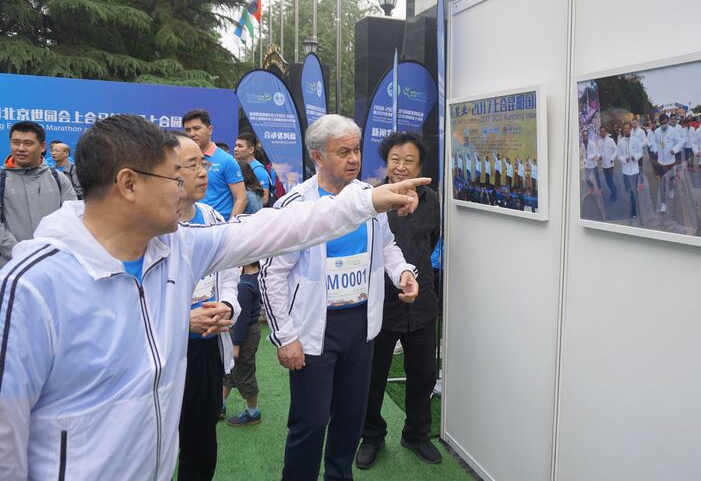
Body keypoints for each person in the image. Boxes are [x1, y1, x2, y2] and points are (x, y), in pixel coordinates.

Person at [0, 114, 429, 480]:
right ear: (128, 184)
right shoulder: (32, 287)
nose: (186, 187)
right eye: (175, 176)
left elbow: (277, 229)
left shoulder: (181, 245)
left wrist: (369, 200)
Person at [260, 115, 419, 481]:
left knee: (350, 418)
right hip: (314, 329)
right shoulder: (296, 205)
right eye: (343, 151)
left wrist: (404, 272)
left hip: (360, 326)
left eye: (357, 149)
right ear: (317, 156)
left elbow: (387, 245)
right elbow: (273, 273)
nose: (353, 158)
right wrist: (285, 336)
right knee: (311, 423)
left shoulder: (368, 198)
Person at [357, 132, 441, 470]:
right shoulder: (368, 199)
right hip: (381, 301)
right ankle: (371, 435)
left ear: (420, 165)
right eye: (395, 159)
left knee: (422, 373)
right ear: (386, 163)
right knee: (373, 375)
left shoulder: (431, 199)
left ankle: (417, 434)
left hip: (422, 302)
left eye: (409, 160)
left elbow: (431, 239)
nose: (402, 166)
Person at [174, 133, 240, 481]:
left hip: (209, 348)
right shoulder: (151, 227)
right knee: (160, 440)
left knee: (202, 441)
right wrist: (183, 321)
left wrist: (227, 304)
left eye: (204, 163)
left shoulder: (213, 217)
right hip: (168, 352)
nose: (203, 172)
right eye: (192, 165)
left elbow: (229, 274)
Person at [0, 122, 76, 266]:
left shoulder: (58, 179)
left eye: (28, 143)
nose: (21, 148)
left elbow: (71, 220)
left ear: (42, 147)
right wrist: (19, 253)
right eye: (16, 142)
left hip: (53, 264)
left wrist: (50, 253)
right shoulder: (2, 179)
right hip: (10, 266)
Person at [182, 109, 247, 218]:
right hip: (189, 225)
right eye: (187, 130)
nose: (192, 134)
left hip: (218, 227)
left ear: (210, 130)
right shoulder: (182, 158)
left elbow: (241, 198)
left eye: (196, 128)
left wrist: (230, 227)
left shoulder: (226, 160)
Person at [223, 261, 264, 427]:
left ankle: (252, 412)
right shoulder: (258, 277)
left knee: (244, 371)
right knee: (230, 369)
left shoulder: (244, 285)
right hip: (249, 331)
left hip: (244, 334)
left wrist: (236, 345)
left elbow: (241, 319)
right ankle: (220, 404)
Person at [651, 113, 684, 213]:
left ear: (668, 121)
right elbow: (654, 143)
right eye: (662, 123)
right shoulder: (657, 132)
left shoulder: (673, 131)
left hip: (670, 161)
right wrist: (655, 150)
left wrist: (674, 149)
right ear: (659, 123)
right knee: (661, 184)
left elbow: (680, 142)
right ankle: (663, 204)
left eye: (665, 122)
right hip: (661, 162)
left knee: (670, 180)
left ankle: (671, 189)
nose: (664, 124)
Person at [234, 132, 271, 206]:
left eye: (240, 146)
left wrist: (242, 204)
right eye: (235, 145)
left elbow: (264, 199)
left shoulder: (258, 171)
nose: (235, 149)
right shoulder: (237, 166)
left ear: (251, 150)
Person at [617, 122, 643, 219]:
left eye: (627, 128)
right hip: (625, 171)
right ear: (623, 130)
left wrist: (635, 157)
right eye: (624, 129)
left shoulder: (636, 141)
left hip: (635, 171)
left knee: (632, 192)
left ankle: (634, 211)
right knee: (627, 188)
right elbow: (619, 155)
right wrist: (624, 159)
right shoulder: (620, 142)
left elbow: (640, 152)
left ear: (630, 129)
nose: (626, 130)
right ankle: (632, 191)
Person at [596, 125, 617, 200]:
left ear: (606, 132)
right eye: (601, 132)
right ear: (600, 133)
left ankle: (614, 193)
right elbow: (597, 152)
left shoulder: (610, 140)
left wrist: (612, 158)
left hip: (610, 164)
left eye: (603, 131)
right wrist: (599, 156)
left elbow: (616, 150)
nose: (602, 133)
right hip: (604, 165)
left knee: (610, 180)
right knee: (607, 181)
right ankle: (613, 190)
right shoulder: (599, 142)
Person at [580, 130, 601, 196]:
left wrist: (588, 156)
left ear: (588, 136)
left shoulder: (592, 143)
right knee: (586, 179)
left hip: (593, 164)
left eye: (586, 135)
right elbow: (584, 153)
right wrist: (584, 159)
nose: (585, 137)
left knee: (597, 178)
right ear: (582, 136)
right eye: (583, 136)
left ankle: (600, 189)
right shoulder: (582, 144)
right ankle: (592, 186)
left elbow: (595, 153)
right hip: (587, 165)